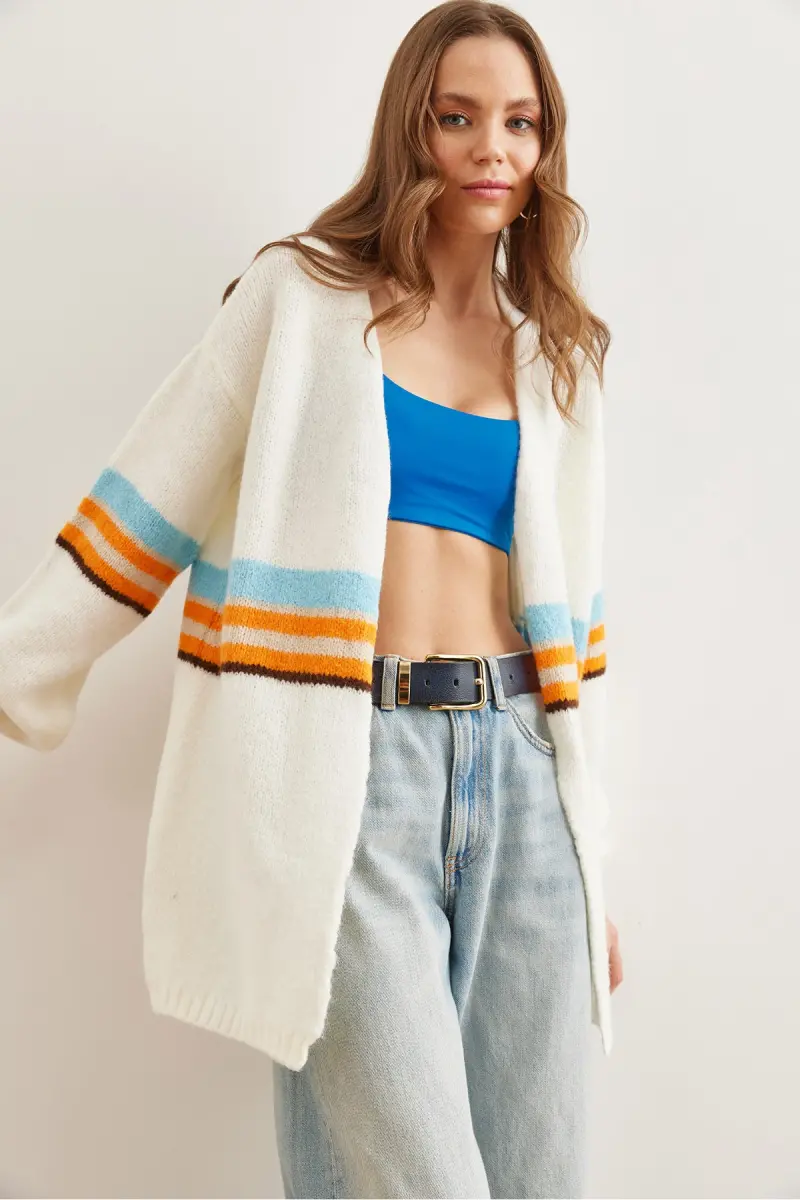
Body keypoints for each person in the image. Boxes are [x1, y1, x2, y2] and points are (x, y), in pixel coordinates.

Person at [0, 1, 622, 1196]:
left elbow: (579, 631)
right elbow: (148, 502)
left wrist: (591, 856)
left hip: (526, 773)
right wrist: (19, 667)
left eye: (519, 122)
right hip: (349, 772)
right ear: (409, 128)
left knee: (539, 1178)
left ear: (545, 145)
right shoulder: (300, 300)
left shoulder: (553, 352)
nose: (491, 149)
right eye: (457, 117)